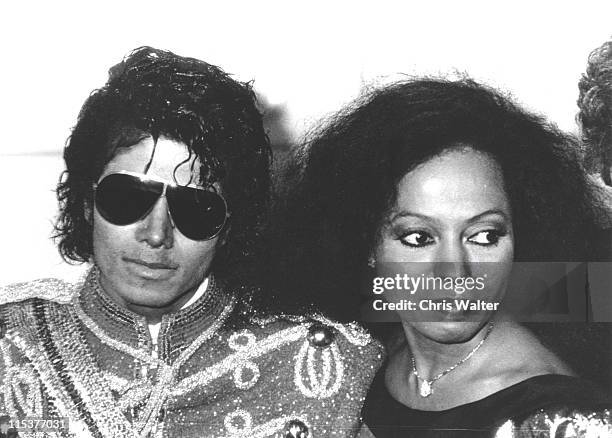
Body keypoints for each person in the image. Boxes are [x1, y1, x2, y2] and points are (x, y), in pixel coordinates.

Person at [0, 47, 382, 438]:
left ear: (231, 226)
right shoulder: (11, 340)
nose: (155, 234)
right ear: (85, 203)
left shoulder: (325, 361)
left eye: (196, 209)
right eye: (127, 198)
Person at [270, 79, 611, 436]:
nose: (454, 272)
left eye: (484, 236)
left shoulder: (562, 419)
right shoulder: (355, 358)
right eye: (419, 238)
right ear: (366, 245)